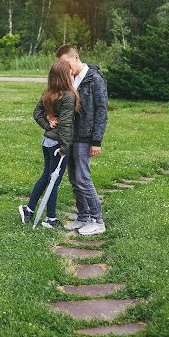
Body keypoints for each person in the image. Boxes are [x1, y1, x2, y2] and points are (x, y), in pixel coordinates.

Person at [19, 59, 79, 229]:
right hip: (57, 146)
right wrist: (64, 147)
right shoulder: (68, 95)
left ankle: (29, 210)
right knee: (54, 181)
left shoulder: (49, 92)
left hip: (47, 142)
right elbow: (66, 124)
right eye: (69, 72)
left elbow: (36, 113)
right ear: (64, 76)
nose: (72, 74)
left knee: (47, 176)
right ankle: (50, 219)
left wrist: (47, 126)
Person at [55, 44, 108, 236]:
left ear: (75, 57)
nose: (63, 67)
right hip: (71, 137)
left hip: (86, 138)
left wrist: (97, 140)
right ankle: (83, 217)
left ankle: (98, 221)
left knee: (83, 178)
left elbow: (102, 111)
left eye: (65, 62)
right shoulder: (70, 77)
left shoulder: (95, 79)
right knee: (74, 179)